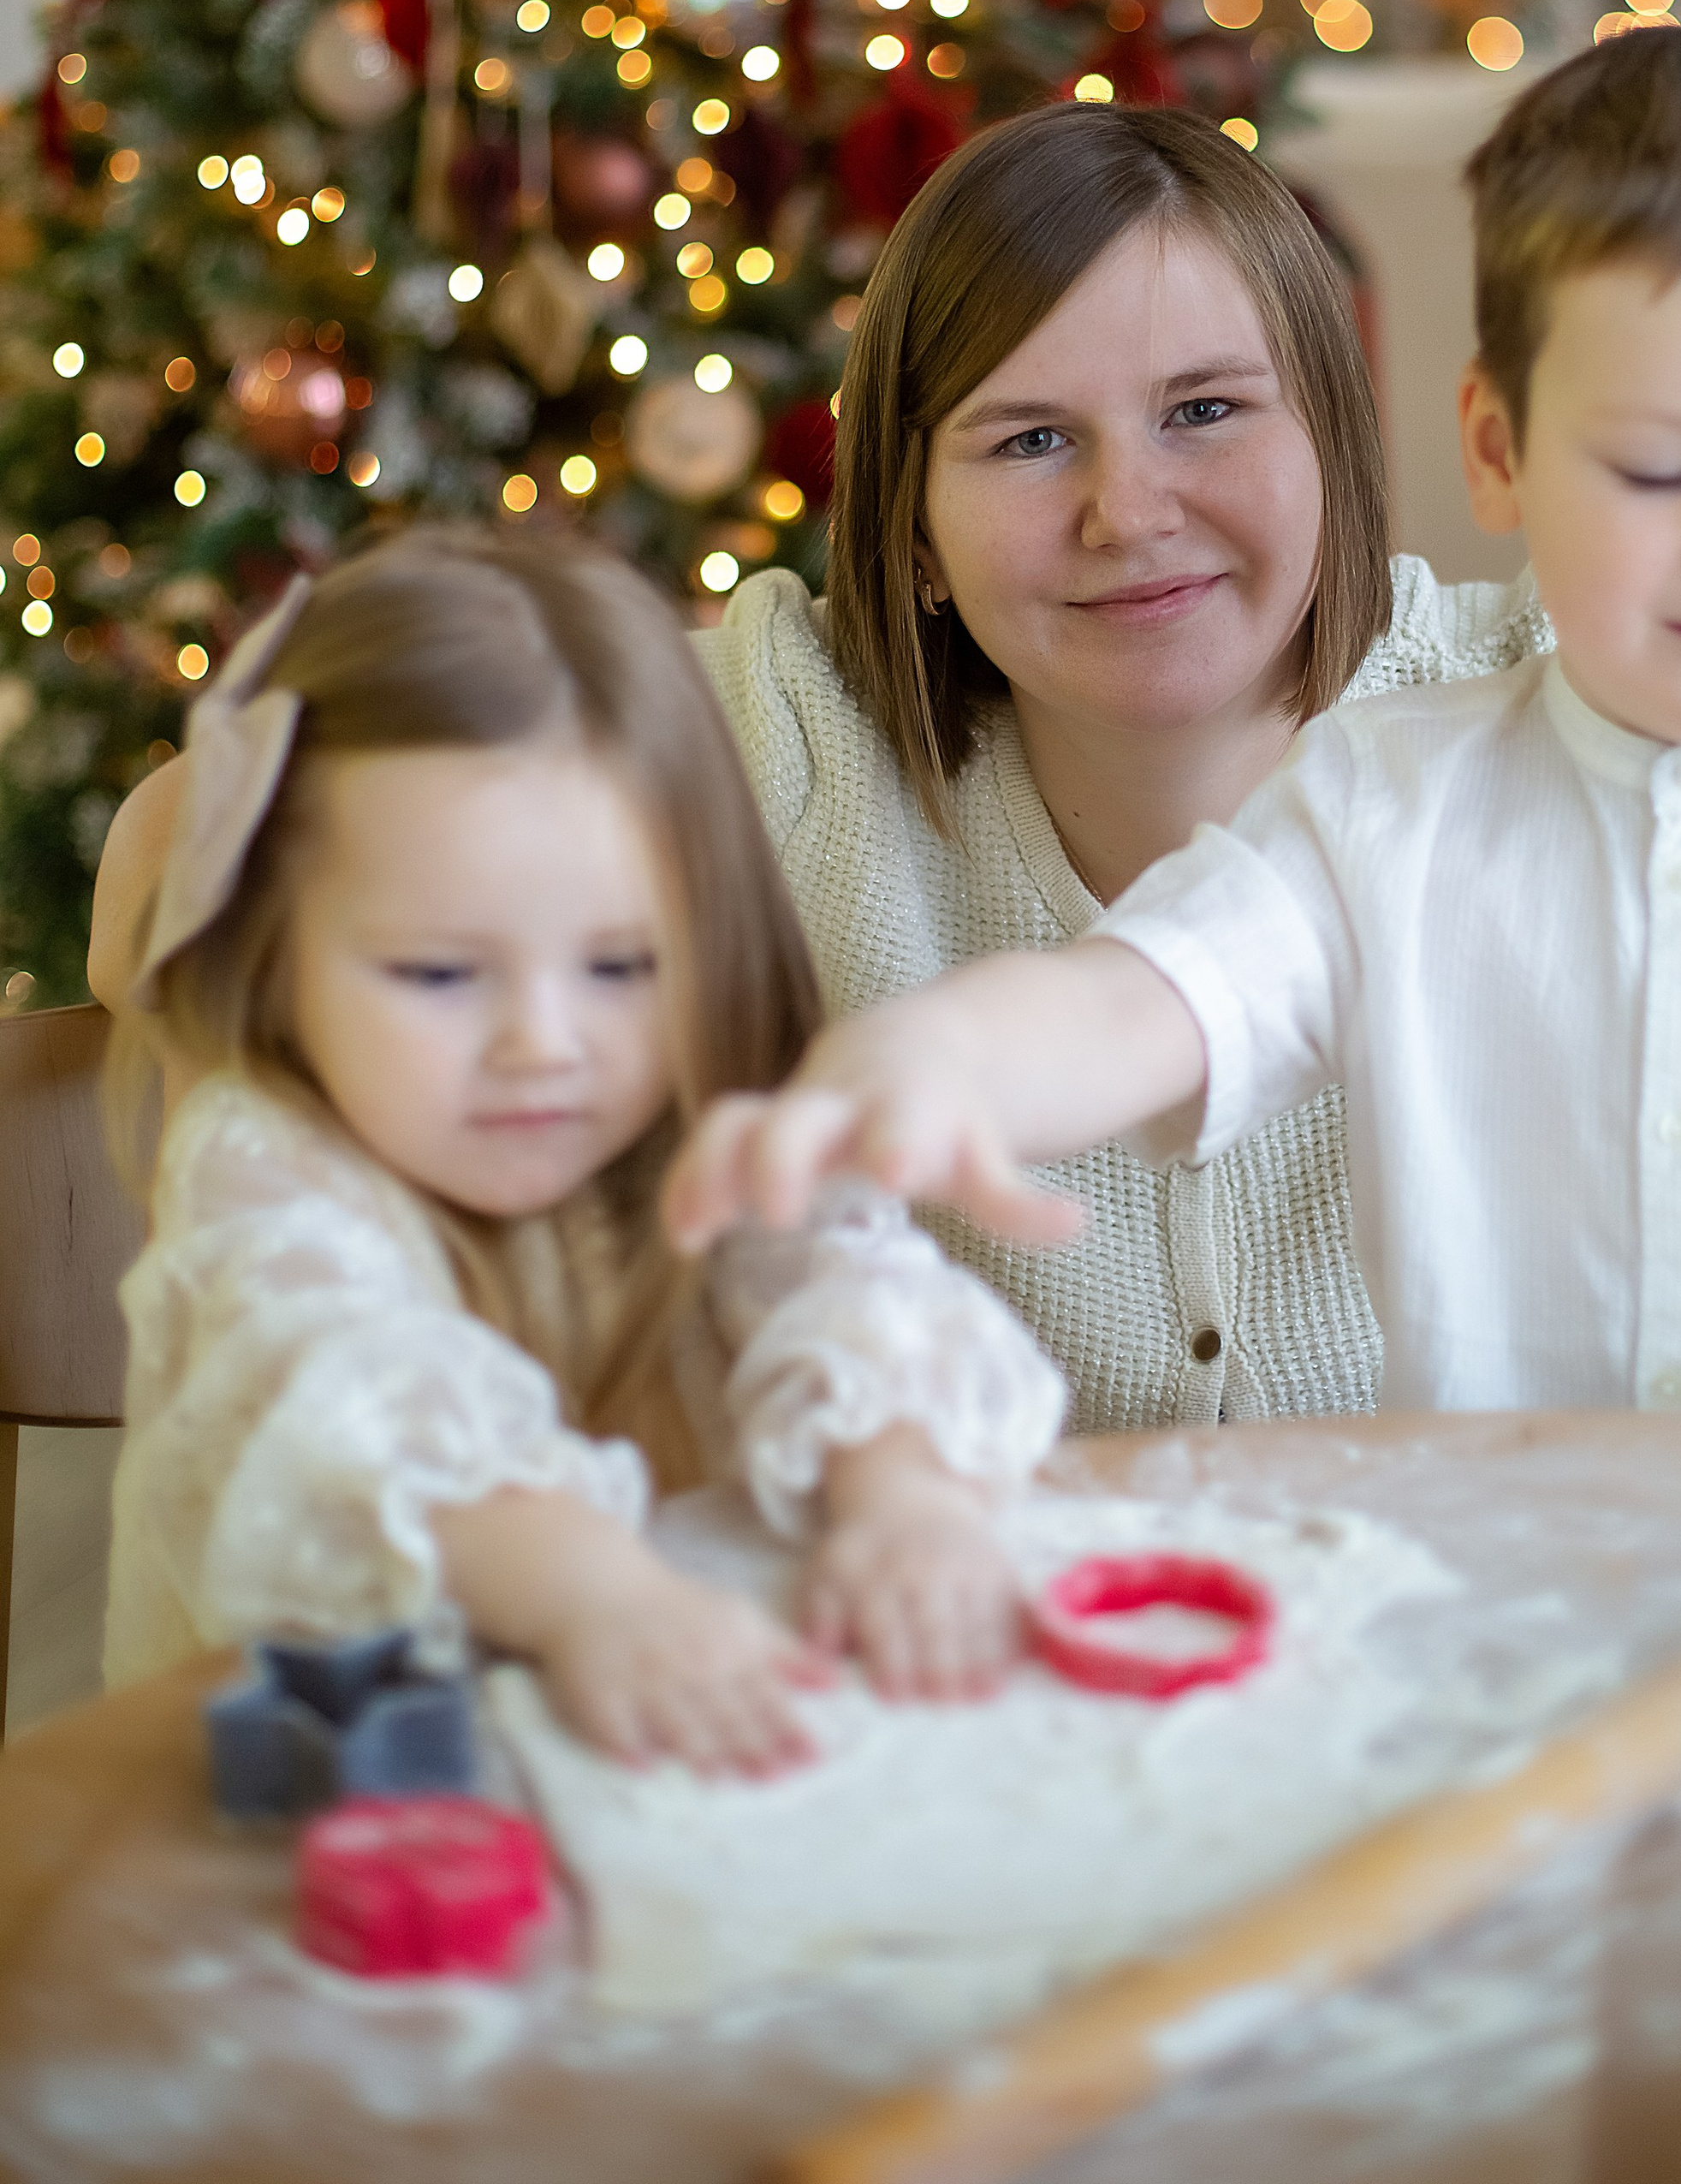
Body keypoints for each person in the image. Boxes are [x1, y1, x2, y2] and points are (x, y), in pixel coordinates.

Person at [90, 106, 1681, 1433]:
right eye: (1027, 441)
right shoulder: (788, 725)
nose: (1131, 511)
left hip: (1488, 1606)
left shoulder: (1550, 694)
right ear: (903, 516)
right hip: (1015, 1650)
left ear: (1353, 452)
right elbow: (218, 830)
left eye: (1206, 412)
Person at [663, 30, 1681, 1436]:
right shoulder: (1387, 805)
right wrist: (938, 1054)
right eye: (1660, 470)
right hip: (1497, 1623)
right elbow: (1144, 1011)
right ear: (1498, 455)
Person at [103, 527, 1064, 1770]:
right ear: (278, 957)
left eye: (621, 964)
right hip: (305, 1818)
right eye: (442, 971)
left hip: (648, 1749)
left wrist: (905, 1500)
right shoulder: (262, 1162)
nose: (544, 1045)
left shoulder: (697, 1100)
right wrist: (597, 1599)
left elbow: (853, 1288)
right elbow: (352, 1402)